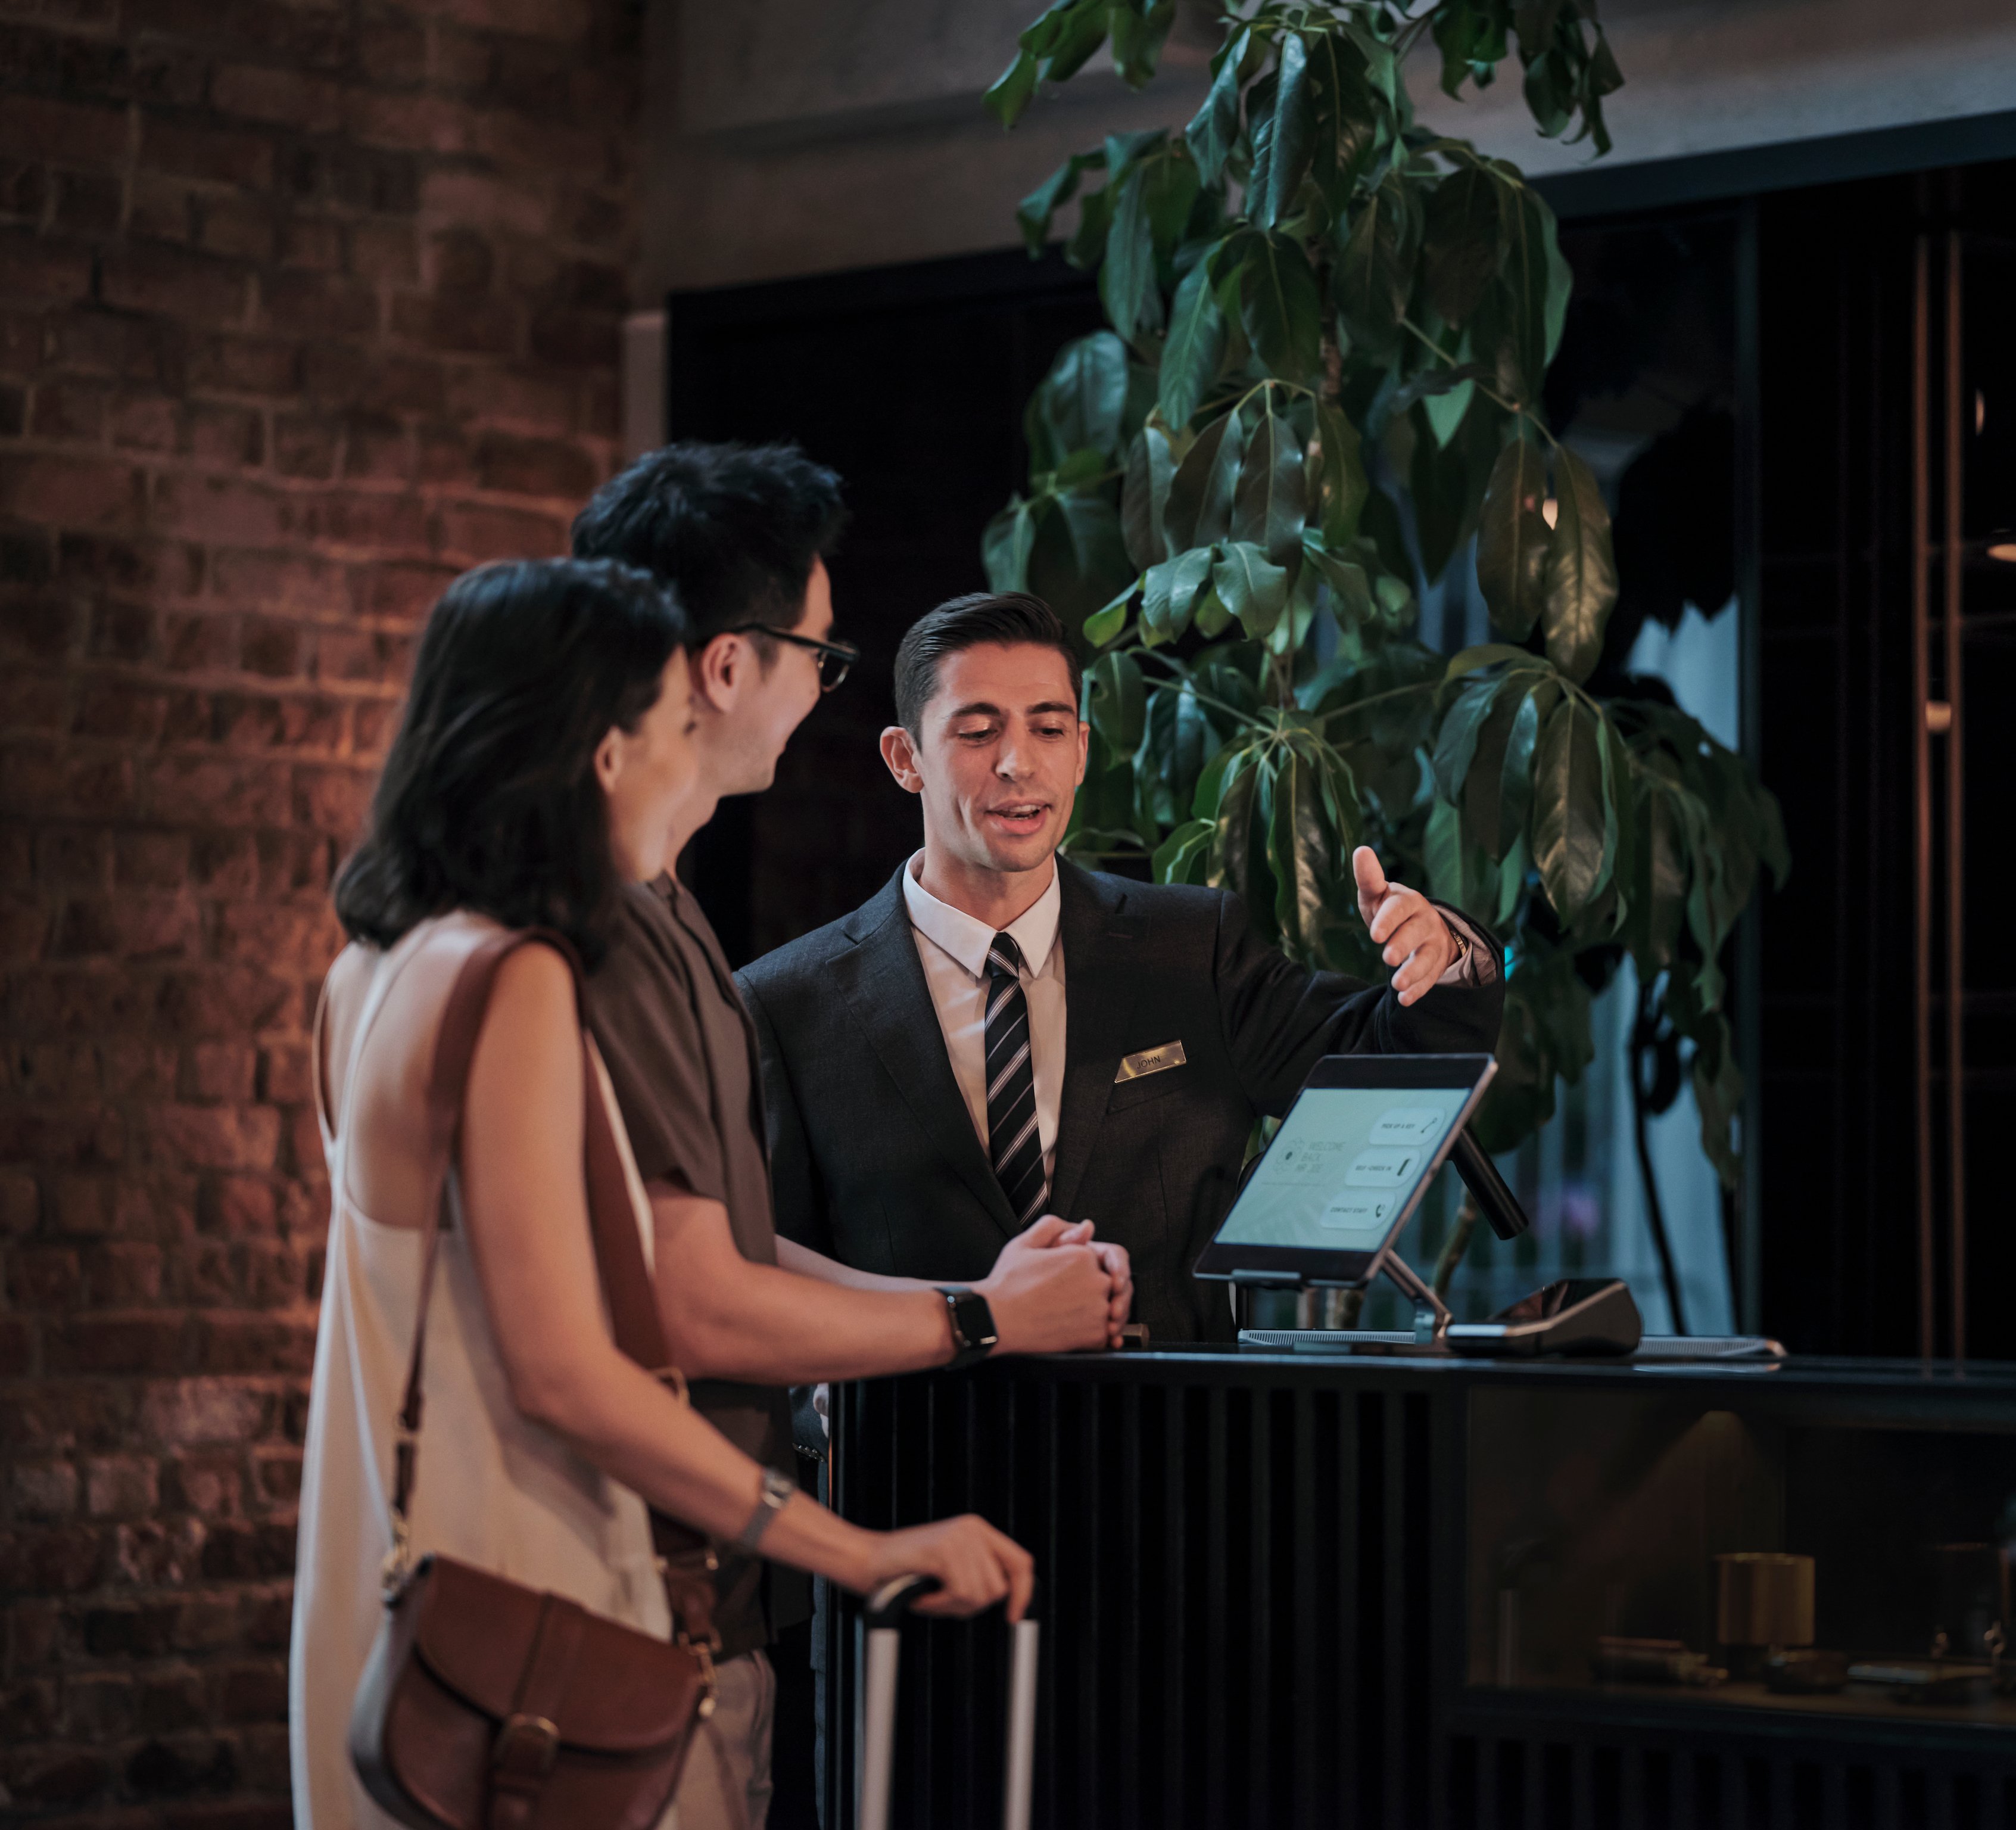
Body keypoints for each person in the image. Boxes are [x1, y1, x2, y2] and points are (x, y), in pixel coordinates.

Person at [289, 558, 1032, 1829]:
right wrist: (859, 1552)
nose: (693, 763)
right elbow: (570, 1374)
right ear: (598, 748)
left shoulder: (371, 968)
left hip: (393, 1598)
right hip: (538, 1623)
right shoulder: (512, 978)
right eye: (672, 725)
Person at [568, 445, 1127, 1829]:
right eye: (817, 655)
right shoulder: (605, 935)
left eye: (1051, 725)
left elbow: (733, 1250)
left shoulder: (668, 913)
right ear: (725, 668)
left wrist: (984, 1305)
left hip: (706, 1607)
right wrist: (977, 1332)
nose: (822, 686)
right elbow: (689, 1303)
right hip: (626, 1605)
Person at [737, 592, 1506, 1343]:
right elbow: (769, 1287)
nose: (1017, 764)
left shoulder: (1190, 948)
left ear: (1080, 752)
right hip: (918, 1456)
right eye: (977, 732)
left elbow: (1394, 1070)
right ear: (905, 759)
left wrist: (1442, 960)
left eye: (1047, 729)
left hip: (1168, 1449)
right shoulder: (785, 1007)